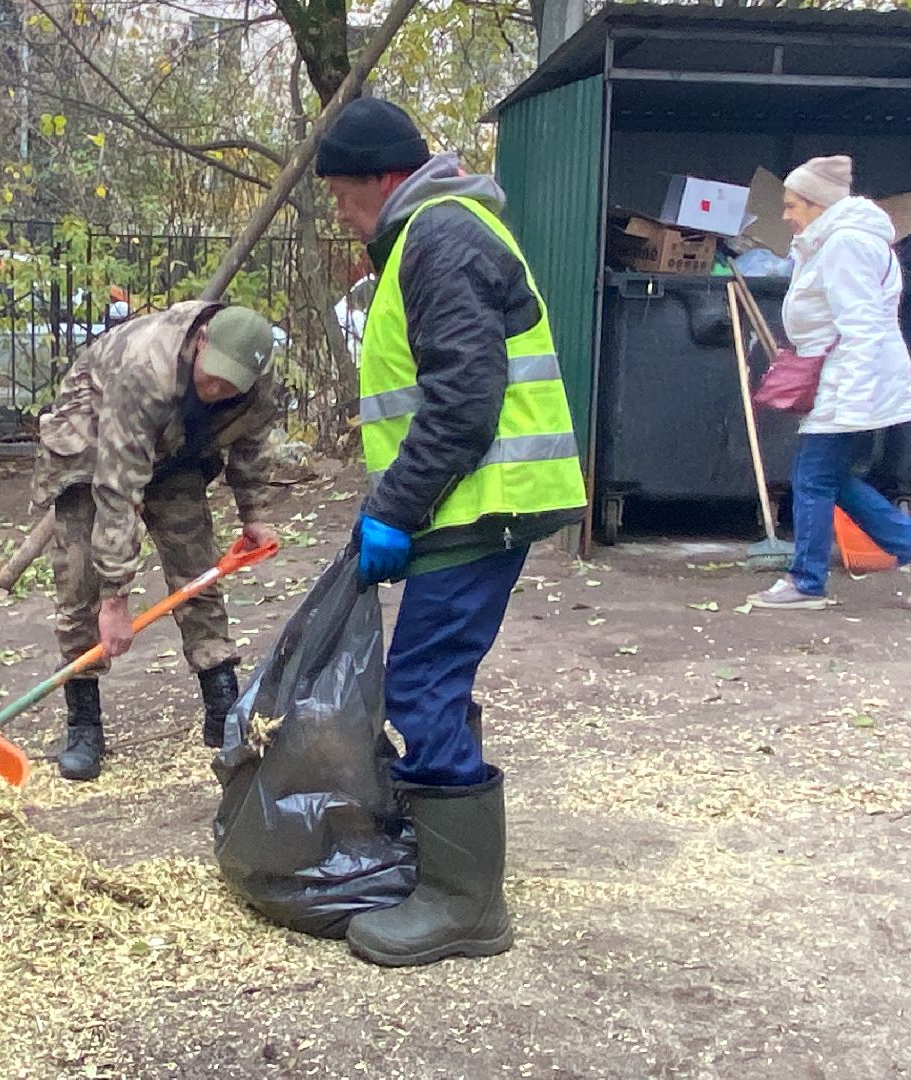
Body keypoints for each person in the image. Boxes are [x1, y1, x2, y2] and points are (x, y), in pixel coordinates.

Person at [315, 97, 587, 967]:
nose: (339, 211)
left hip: (480, 502)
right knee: (434, 674)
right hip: (466, 501)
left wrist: (393, 510)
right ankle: (441, 859)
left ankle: (463, 904)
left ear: (383, 178)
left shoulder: (440, 235)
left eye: (342, 193)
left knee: (424, 677)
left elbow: (464, 399)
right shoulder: (428, 238)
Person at [32, 301, 280, 782]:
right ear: (202, 339)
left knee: (198, 565)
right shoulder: (146, 367)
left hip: (177, 445)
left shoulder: (254, 382)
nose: (218, 390)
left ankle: (221, 706)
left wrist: (255, 516)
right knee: (82, 577)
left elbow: (250, 448)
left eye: (231, 386)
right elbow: (118, 488)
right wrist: (115, 598)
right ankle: (84, 722)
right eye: (213, 378)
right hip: (93, 440)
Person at [749, 155, 911, 611]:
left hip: (848, 381)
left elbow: (861, 327)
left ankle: (807, 581)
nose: (786, 215)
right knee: (828, 477)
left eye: (792, 205)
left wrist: (851, 402)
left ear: (819, 204)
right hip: (842, 377)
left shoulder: (845, 245)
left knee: (811, 477)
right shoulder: (838, 241)